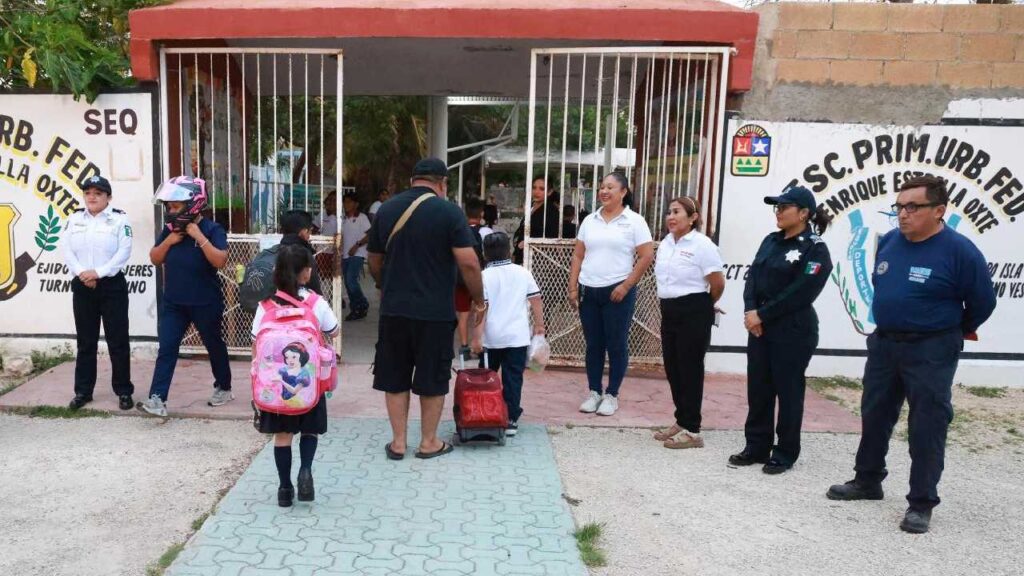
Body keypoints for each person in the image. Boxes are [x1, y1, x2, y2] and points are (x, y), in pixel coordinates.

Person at [826, 176, 996, 534]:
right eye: (900, 206)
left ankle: (921, 502)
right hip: (885, 344)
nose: (903, 214)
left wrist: (948, 330)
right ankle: (867, 480)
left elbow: (983, 302)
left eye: (913, 207)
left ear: (939, 211)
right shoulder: (889, 242)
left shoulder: (960, 251)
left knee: (927, 424)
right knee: (875, 413)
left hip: (931, 349)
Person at [367, 157, 484, 460]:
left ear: (412, 181)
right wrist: (479, 299)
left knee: (395, 375)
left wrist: (384, 285)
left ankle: (398, 443)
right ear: (442, 183)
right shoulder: (449, 213)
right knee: (433, 377)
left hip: (394, 310)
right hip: (435, 313)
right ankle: (428, 442)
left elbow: (374, 261)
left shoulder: (387, 209)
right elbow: (469, 263)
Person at [730, 185, 833, 474]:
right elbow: (753, 278)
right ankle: (756, 445)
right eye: (777, 207)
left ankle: (785, 452)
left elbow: (802, 291)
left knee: (788, 392)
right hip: (760, 327)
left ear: (803, 213)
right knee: (759, 389)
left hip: (792, 329)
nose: (778, 212)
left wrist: (762, 314)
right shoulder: (770, 241)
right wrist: (751, 311)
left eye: (784, 207)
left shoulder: (815, 248)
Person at [251, 244, 340, 508]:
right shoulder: (315, 303)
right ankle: (306, 472)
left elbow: (256, 342)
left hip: (276, 388)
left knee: (282, 435)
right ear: (306, 273)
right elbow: (333, 330)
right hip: (309, 385)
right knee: (309, 430)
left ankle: (284, 488)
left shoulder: (265, 305)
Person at [139, 176, 232, 417]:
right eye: (168, 207)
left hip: (205, 302)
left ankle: (224, 387)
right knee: (167, 348)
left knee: (213, 345)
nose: (171, 212)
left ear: (193, 204)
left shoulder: (212, 229)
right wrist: (169, 241)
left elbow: (220, 260)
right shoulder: (170, 231)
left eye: (175, 206)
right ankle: (157, 398)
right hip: (174, 303)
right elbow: (155, 258)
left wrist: (198, 236)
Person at [568, 172, 654, 417]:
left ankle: (612, 394)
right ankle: (594, 391)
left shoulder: (634, 221)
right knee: (593, 344)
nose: (604, 192)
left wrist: (626, 286)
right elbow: (578, 255)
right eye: (602, 187)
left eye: (610, 187)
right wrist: (573, 286)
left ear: (623, 192)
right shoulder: (590, 220)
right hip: (589, 290)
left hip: (618, 292)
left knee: (616, 344)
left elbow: (646, 256)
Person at [653, 196, 725, 449]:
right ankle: (682, 419)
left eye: (677, 212)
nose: (671, 217)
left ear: (693, 217)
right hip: (669, 309)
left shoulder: (702, 245)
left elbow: (717, 283)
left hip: (694, 309)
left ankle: (693, 430)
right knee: (673, 368)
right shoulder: (666, 243)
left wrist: (703, 305)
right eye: (669, 212)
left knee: (690, 369)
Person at [62, 175, 135, 411]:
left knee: (118, 341)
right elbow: (67, 249)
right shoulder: (74, 219)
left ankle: (123, 391)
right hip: (83, 285)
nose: (92, 197)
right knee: (86, 342)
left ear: (108, 197)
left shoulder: (119, 220)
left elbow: (124, 252)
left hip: (111, 286)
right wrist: (83, 273)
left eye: (98, 193)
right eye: (88, 193)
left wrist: (98, 273)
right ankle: (83, 392)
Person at [470, 231, 545, 437]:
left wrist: (476, 338)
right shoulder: (523, 272)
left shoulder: (483, 276)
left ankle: (486, 413)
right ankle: (511, 419)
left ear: (484, 253)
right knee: (513, 378)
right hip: (517, 337)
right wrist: (539, 325)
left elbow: (481, 309)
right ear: (509, 250)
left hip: (491, 339)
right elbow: (536, 299)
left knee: (486, 378)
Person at [455, 197, 491, 359]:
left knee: (463, 314)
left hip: (460, 279)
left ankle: (464, 348)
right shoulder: (486, 232)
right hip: (480, 278)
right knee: (480, 310)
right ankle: (479, 346)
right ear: (481, 213)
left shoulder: (458, 230)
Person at [513, 177, 561, 264]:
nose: (536, 192)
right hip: (522, 257)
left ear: (549, 192)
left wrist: (529, 242)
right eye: (534, 187)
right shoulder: (531, 206)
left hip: (540, 260)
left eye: (542, 189)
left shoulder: (551, 211)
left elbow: (552, 237)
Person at [341, 191, 372, 320]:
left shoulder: (362, 217)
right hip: (345, 255)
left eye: (349, 202)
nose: (346, 204)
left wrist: (357, 245)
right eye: (344, 202)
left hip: (358, 253)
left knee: (351, 280)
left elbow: (370, 234)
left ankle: (362, 303)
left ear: (356, 204)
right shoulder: (343, 219)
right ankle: (356, 307)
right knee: (348, 283)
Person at [279, 210, 324, 296]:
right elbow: (314, 288)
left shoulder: (274, 251)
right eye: (310, 231)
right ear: (304, 231)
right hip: (299, 301)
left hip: (277, 300)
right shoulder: (303, 254)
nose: (309, 235)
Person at [314, 189, 339, 278]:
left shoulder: (341, 216)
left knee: (334, 276)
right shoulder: (322, 214)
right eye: (330, 200)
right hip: (322, 250)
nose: (332, 202)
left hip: (336, 251)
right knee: (322, 275)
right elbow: (314, 228)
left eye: (334, 200)